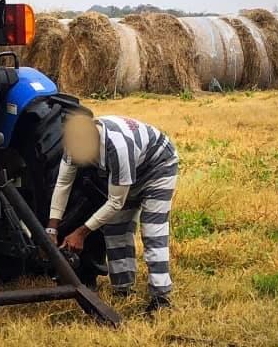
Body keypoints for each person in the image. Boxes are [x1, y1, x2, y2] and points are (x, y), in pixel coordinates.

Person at [46, 113, 179, 313]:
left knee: (153, 230)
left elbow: (116, 201)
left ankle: (161, 298)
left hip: (157, 167)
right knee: (115, 230)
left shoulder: (118, 147)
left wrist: (80, 233)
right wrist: (51, 229)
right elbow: (63, 183)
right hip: (127, 173)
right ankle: (122, 290)